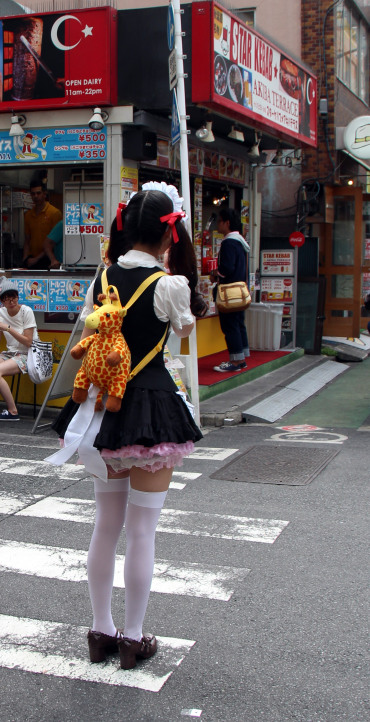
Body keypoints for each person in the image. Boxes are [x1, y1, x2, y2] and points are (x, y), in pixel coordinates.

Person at [46, 185, 202, 670]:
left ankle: (100, 631)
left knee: (105, 526)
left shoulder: (103, 279)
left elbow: (95, 331)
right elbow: (184, 330)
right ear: (167, 234)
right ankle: (133, 637)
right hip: (152, 409)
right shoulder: (170, 284)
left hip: (102, 411)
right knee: (143, 531)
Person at [211, 208, 250, 372]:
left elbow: (226, 268)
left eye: (219, 221)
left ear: (226, 223)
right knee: (238, 323)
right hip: (239, 291)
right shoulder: (240, 242)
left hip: (229, 292)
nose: (217, 224)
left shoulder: (229, 242)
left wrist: (215, 274)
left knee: (230, 325)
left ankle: (235, 361)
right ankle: (242, 358)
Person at [0, 278, 37, 421]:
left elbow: (28, 342)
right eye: (7, 298)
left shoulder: (26, 311)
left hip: (27, 354)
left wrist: (8, 328)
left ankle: (13, 411)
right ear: (2, 300)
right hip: (10, 353)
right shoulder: (1, 312)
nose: (11, 301)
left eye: (14, 297)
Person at [22, 181, 62, 270]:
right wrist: (25, 258)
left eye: (38, 193)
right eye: (33, 194)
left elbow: (53, 242)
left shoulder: (54, 213)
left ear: (44, 194)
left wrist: (37, 259)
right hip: (32, 259)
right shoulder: (28, 215)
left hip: (48, 259)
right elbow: (27, 240)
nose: (36, 196)